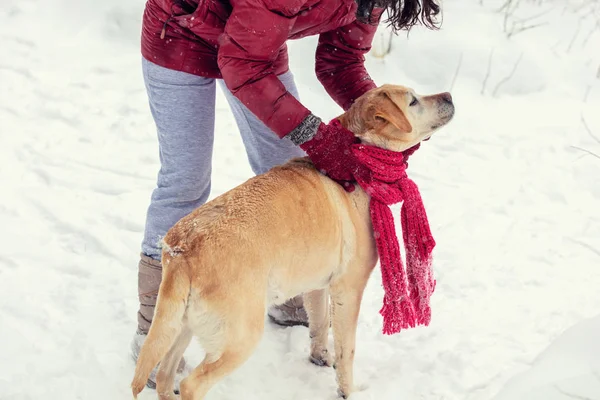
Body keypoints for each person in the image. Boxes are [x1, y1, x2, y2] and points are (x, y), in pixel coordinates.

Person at [131, 0, 441, 387]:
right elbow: (239, 65)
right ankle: (153, 323)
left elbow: (340, 61)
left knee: (286, 162)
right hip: (181, 35)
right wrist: (315, 135)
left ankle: (285, 282)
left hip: (255, 47)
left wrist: (387, 125)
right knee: (185, 180)